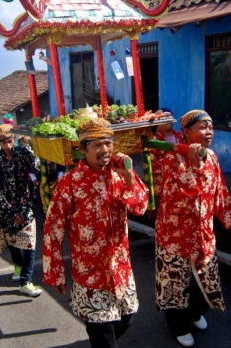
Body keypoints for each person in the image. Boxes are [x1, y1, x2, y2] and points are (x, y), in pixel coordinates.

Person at [43, 118, 149, 348]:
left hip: (119, 268)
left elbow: (140, 208)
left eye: (108, 143)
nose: (105, 150)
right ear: (83, 149)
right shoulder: (70, 183)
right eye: (97, 145)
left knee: (126, 320)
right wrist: (55, 272)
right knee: (104, 337)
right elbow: (53, 227)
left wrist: (130, 177)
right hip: (89, 273)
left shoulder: (121, 175)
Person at [153, 110, 231, 347]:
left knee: (206, 283)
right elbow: (175, 197)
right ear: (186, 133)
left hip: (203, 232)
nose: (208, 131)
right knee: (175, 284)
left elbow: (219, 188)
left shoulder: (211, 156)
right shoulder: (172, 158)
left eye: (210, 126)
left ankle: (194, 312)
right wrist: (192, 166)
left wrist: (228, 217)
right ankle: (178, 326)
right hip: (175, 233)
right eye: (202, 127)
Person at [0, 124, 43, 297]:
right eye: (3, 142)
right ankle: (18, 266)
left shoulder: (23, 153)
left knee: (30, 243)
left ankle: (26, 281)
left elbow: (36, 170)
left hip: (25, 205)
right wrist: (12, 213)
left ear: (14, 139)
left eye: (10, 141)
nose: (8, 146)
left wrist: (42, 174)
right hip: (6, 210)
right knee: (12, 241)